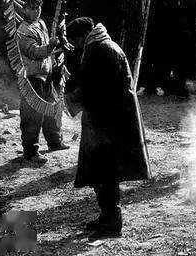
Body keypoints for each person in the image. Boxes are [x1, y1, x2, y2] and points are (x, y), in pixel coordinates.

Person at [66, 17, 151, 239]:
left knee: (105, 171)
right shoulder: (102, 45)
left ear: (83, 36)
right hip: (111, 118)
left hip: (108, 122)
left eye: (75, 42)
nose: (76, 47)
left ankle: (112, 221)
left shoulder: (99, 50)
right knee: (103, 171)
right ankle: (107, 216)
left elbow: (93, 87)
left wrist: (70, 99)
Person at [16, 0, 70, 163]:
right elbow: (33, 52)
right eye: (32, 8)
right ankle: (31, 151)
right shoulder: (23, 31)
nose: (36, 11)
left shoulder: (41, 23)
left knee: (52, 111)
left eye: (38, 7)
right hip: (32, 78)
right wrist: (50, 46)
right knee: (32, 116)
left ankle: (55, 142)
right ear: (24, 9)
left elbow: (48, 52)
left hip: (46, 74)